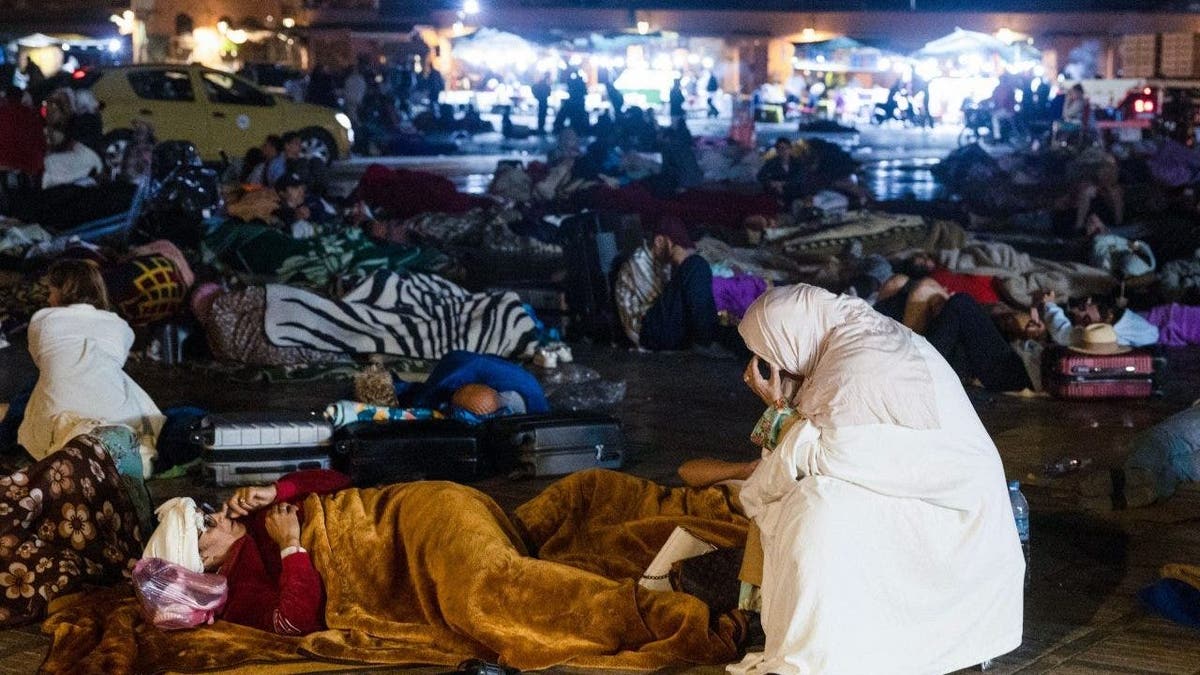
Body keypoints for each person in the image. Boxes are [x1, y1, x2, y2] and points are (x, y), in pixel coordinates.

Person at [729, 284, 1024, 674]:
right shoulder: (848, 340)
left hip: (954, 515)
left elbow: (828, 452)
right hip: (932, 497)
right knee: (804, 495)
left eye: (770, 354)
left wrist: (780, 409)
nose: (770, 366)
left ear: (792, 336)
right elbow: (810, 446)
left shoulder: (858, 359)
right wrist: (783, 410)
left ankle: (817, 652)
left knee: (814, 507)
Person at [18, 259, 164, 475]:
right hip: (119, 418)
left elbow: (43, 360)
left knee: (42, 383)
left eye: (51, 291)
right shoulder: (120, 325)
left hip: (57, 418)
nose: (49, 298)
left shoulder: (42, 320)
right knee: (118, 379)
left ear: (62, 291)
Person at [614, 217, 721, 354]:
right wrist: (683, 263)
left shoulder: (664, 262)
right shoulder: (638, 262)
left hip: (661, 327)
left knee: (696, 267)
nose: (681, 252)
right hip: (646, 333)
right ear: (659, 241)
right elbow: (662, 303)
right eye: (678, 246)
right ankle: (706, 342)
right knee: (695, 265)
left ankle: (710, 338)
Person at [756, 137, 802, 207]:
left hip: (794, 194)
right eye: (780, 149)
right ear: (777, 151)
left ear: (790, 149)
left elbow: (800, 179)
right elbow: (760, 176)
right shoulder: (771, 163)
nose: (783, 151)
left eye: (785, 148)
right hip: (776, 194)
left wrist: (782, 184)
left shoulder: (798, 163)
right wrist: (771, 183)